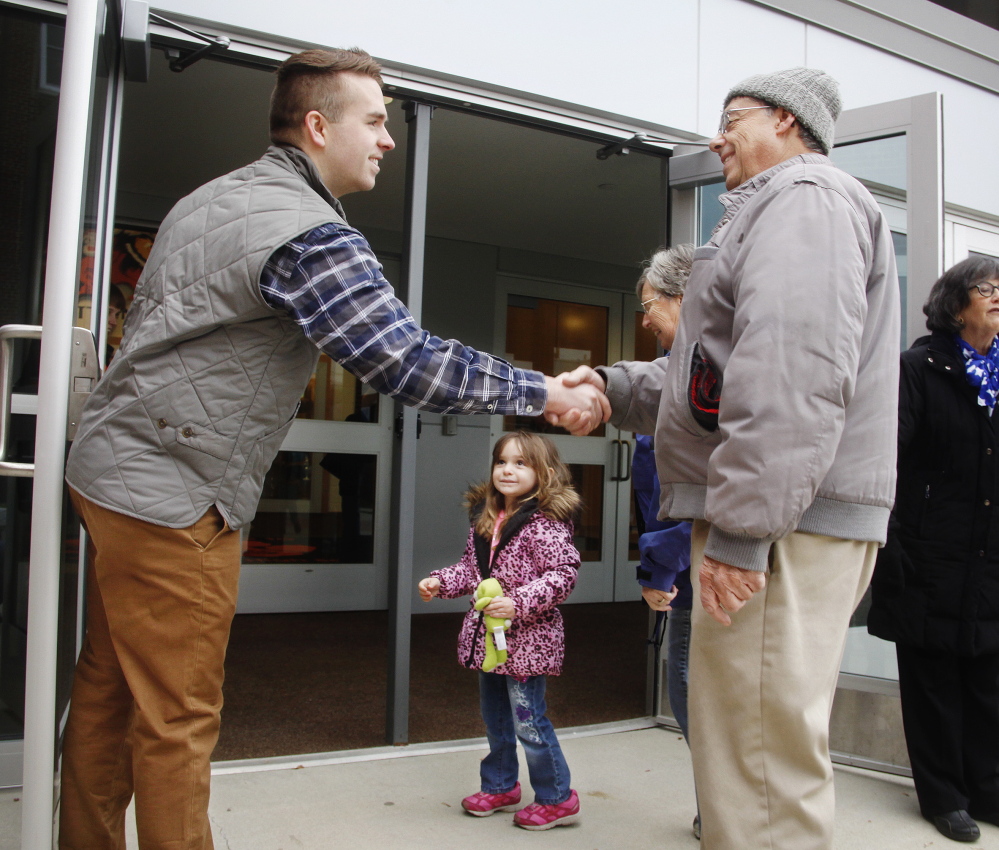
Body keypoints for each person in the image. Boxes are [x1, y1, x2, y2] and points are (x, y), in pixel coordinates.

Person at [59, 48, 606, 850]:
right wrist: (545, 395)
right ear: (318, 126)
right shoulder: (309, 231)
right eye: (376, 121)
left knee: (109, 690)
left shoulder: (210, 199)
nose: (388, 140)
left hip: (110, 475)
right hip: (172, 494)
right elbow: (403, 358)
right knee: (176, 717)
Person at [557, 67, 900, 849]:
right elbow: (713, 374)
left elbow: (790, 373)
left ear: (785, 121)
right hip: (785, 520)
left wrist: (743, 534)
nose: (717, 138)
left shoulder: (804, 198)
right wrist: (610, 388)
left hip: (782, 529)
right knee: (748, 753)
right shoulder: (781, 209)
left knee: (757, 766)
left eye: (733, 118)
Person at [868, 256, 999, 844]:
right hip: (929, 552)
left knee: (988, 680)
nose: (997, 295)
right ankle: (943, 797)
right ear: (955, 301)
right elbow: (888, 458)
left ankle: (988, 788)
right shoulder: (919, 368)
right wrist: (896, 540)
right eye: (985, 287)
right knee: (934, 682)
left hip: (990, 556)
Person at [418, 430, 581, 831]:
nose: (508, 470)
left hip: (527, 643)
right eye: (502, 462)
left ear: (544, 471)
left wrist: (519, 602)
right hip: (490, 642)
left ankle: (557, 797)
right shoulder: (486, 518)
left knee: (528, 720)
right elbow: (472, 572)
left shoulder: (544, 523)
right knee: (496, 719)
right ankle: (500, 786)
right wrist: (441, 581)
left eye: (520, 463)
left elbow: (564, 573)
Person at [628, 244, 698, 838]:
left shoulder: (691, 377)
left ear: (683, 298)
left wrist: (658, 571)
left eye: (650, 305)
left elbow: (685, 494)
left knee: (691, 678)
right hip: (696, 559)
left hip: (701, 565)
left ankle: (720, 801)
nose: (644, 319)